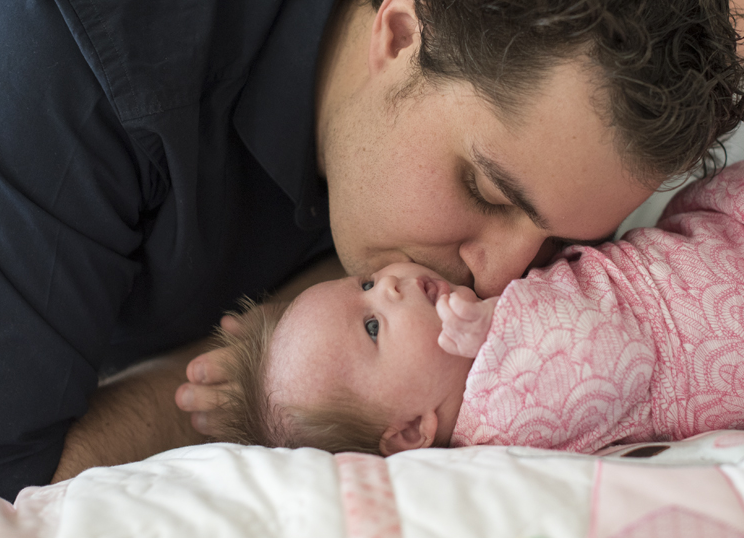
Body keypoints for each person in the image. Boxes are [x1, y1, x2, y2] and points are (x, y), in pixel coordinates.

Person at [0, 0, 741, 500]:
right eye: (485, 189)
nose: (503, 278)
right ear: (399, 29)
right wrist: (277, 376)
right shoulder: (53, 56)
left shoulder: (468, 51)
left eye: (559, 240)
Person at [201, 163, 744, 455]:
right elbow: (616, 353)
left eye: (364, 282)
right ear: (412, 430)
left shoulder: (477, 366)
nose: (388, 286)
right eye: (372, 327)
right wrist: (499, 326)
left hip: (696, 243)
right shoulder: (498, 415)